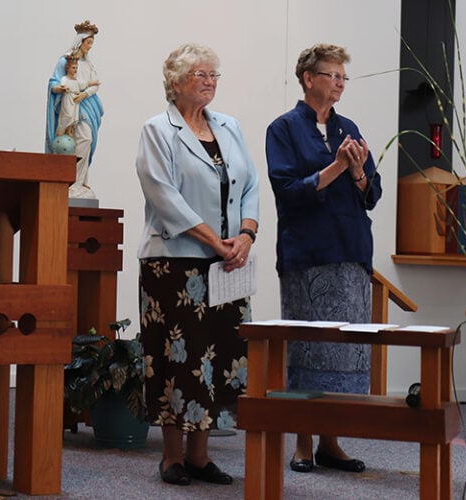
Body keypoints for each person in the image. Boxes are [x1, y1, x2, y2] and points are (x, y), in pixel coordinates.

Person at [135, 43, 259, 486]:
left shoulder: (230, 127)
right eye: (200, 74)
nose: (209, 81)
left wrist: (246, 235)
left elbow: (251, 184)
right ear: (175, 82)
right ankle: (171, 456)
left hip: (227, 263)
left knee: (219, 355)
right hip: (174, 264)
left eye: (213, 74)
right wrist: (215, 241)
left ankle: (200, 456)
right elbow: (164, 196)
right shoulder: (158, 130)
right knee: (178, 358)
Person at [265, 43, 382, 474]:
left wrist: (357, 171)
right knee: (308, 350)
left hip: (350, 253)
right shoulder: (283, 129)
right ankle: (302, 443)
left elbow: (372, 192)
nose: (339, 83)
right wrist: (335, 168)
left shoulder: (348, 127)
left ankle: (332, 441)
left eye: (343, 77)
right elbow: (287, 192)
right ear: (308, 78)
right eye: (333, 75)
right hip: (307, 255)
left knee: (345, 352)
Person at [46, 19, 103, 199]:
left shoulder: (88, 64)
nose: (90, 47)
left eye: (92, 43)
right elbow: (53, 83)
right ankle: (69, 182)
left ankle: (79, 180)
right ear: (81, 41)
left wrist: (84, 95)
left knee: (86, 140)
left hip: (87, 107)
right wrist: (60, 89)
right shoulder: (65, 61)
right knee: (71, 143)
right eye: (88, 43)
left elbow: (95, 84)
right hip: (69, 106)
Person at [55, 53, 99, 139]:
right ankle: (60, 133)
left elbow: (84, 84)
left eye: (76, 68)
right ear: (67, 68)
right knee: (67, 115)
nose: (75, 70)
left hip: (75, 101)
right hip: (68, 100)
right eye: (73, 68)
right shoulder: (65, 78)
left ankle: (69, 132)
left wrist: (94, 83)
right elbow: (62, 85)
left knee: (74, 119)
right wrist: (64, 88)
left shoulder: (76, 80)